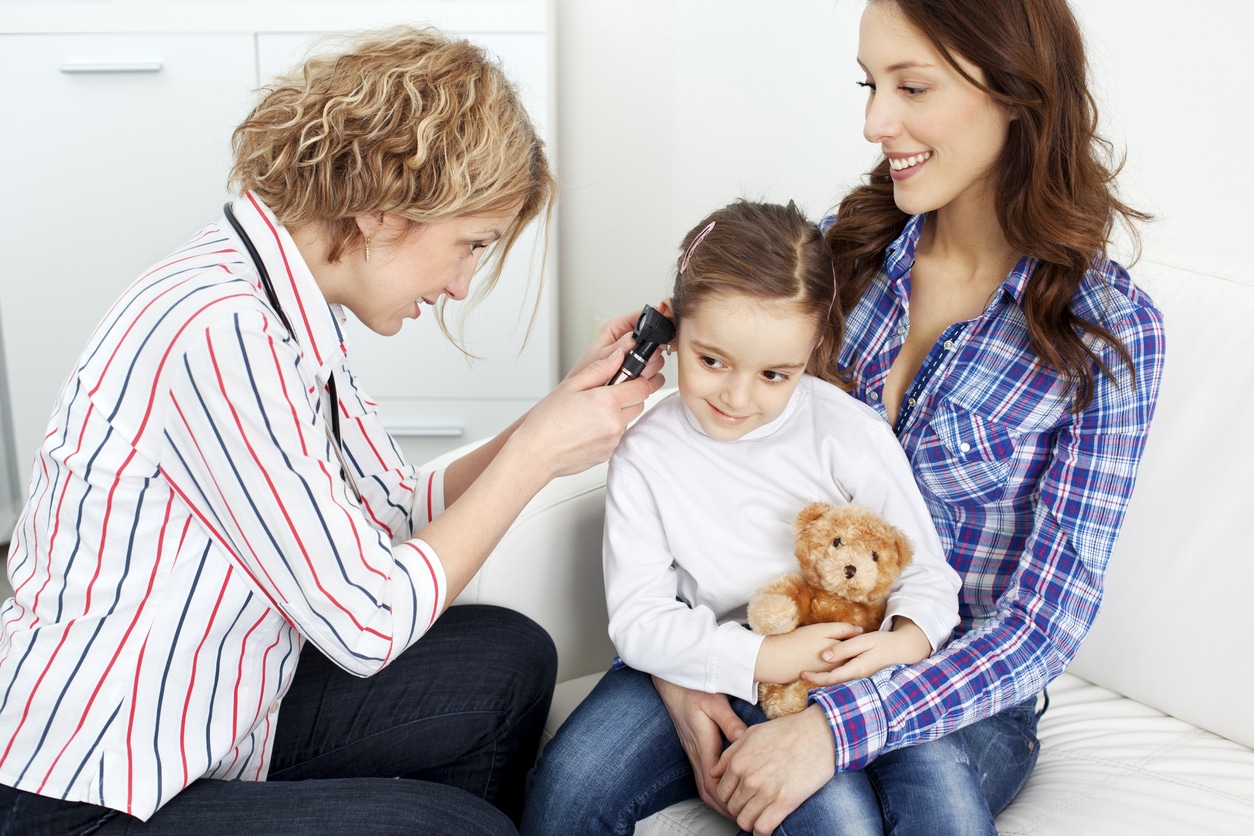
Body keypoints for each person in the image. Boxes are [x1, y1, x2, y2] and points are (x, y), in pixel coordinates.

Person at [0, 26, 662, 836]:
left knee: (508, 656)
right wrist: (533, 457)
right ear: (385, 209)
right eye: (470, 246)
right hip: (92, 789)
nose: (460, 285)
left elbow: (394, 507)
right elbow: (368, 618)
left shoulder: (282, 307)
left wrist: (553, 415)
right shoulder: (219, 332)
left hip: (220, 719)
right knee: (459, 831)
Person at [645, 1, 1167, 834]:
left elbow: (1045, 621)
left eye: (911, 87)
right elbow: (704, 451)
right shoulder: (834, 257)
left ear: (1016, 94)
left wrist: (836, 727)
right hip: (780, 635)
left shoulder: (1106, 331)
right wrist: (677, 661)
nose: (874, 122)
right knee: (574, 786)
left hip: (962, 691)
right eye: (870, 84)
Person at [520, 199, 963, 834]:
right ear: (672, 331)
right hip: (701, 661)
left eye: (775, 374)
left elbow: (926, 575)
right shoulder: (645, 448)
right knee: (567, 790)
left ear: (813, 348)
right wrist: (764, 659)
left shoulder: (847, 433)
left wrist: (901, 643)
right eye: (712, 361)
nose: (736, 397)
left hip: (842, 668)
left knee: (874, 814)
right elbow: (641, 621)